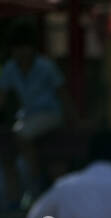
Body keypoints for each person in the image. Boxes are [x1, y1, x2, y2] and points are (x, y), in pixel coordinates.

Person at [0, 20, 72, 208]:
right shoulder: (10, 68)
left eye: (24, 47)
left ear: (32, 48)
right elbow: (2, 97)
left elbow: (62, 94)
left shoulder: (45, 67)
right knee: (10, 146)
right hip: (28, 117)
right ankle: (17, 197)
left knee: (22, 135)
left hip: (50, 114)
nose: (21, 52)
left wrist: (72, 120)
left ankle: (34, 186)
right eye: (17, 48)